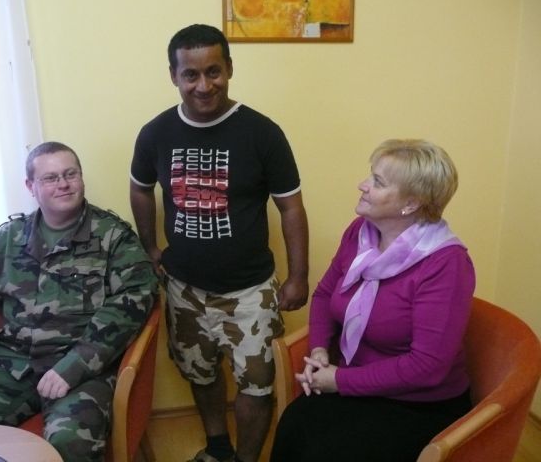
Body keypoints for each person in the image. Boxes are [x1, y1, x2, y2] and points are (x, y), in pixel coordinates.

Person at [130, 24, 309, 462]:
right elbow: (140, 188)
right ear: (173, 76)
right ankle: (217, 448)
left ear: (229, 68)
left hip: (250, 291)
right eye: (190, 74)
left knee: (257, 385)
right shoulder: (156, 133)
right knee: (200, 373)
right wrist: (150, 247)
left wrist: (298, 276)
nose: (203, 85)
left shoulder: (262, 133)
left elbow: (290, 207)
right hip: (184, 289)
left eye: (213, 71)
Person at [0, 141, 158, 462]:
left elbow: (134, 301)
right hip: (9, 365)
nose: (63, 184)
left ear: (81, 178)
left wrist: (75, 366)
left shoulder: (113, 238)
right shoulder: (9, 237)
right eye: (50, 178)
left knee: (70, 445)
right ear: (30, 186)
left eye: (70, 174)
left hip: (81, 370)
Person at [270, 139, 476, 462]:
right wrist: (320, 350)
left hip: (419, 404)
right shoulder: (360, 233)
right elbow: (324, 295)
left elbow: (427, 367)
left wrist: (338, 380)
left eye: (378, 182)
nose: (362, 185)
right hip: (357, 381)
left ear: (411, 203)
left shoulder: (446, 263)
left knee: (328, 451)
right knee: (295, 423)